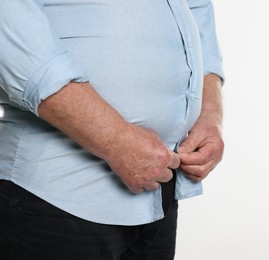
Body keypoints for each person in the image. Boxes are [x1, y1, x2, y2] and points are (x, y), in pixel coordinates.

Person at [0, 1, 224, 259]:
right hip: (56, 194)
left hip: (160, 187)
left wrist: (209, 112)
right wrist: (116, 139)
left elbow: (197, 7)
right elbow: (10, 19)